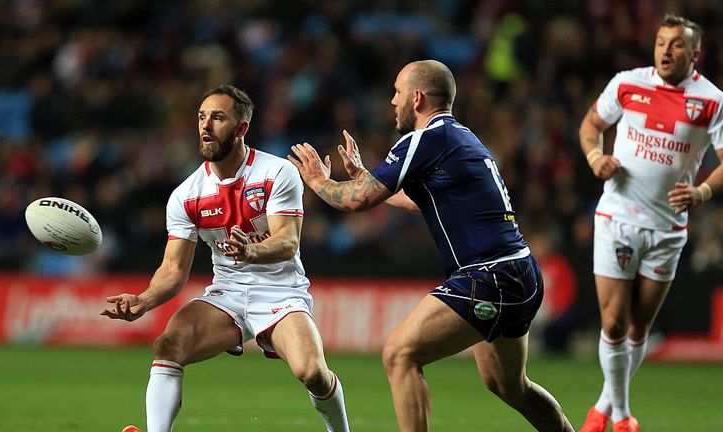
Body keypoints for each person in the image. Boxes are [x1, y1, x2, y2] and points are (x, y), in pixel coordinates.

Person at [289, 60, 573, 432]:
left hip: (489, 275)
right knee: (508, 384)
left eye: (397, 92)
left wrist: (317, 181)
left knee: (399, 353)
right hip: (519, 271)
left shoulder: (425, 139)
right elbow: (416, 198)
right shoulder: (459, 137)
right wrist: (369, 180)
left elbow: (356, 202)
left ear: (417, 97)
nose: (392, 101)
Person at [101, 85, 351, 432]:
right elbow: (173, 269)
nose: (205, 126)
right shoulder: (185, 196)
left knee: (312, 373)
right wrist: (143, 301)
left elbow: (288, 241)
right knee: (169, 344)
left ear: (241, 128)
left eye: (217, 118)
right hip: (229, 293)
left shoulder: (276, 173)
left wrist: (251, 251)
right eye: (202, 117)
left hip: (280, 291)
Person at [578, 14, 723, 432]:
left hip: (667, 230)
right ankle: (622, 418)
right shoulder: (627, 83)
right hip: (617, 218)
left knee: (639, 327)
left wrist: (703, 192)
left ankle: (604, 406)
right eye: (661, 42)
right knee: (613, 323)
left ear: (695, 54)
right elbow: (591, 126)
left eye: (676, 45)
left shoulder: (711, 101)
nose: (665, 51)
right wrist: (594, 157)